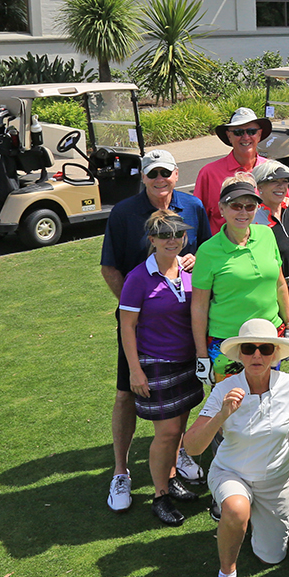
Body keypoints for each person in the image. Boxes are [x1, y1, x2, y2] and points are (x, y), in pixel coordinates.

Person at [184, 318, 289, 577]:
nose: (257, 355)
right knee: (236, 509)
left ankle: (246, 522)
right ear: (241, 355)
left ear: (275, 353)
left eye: (265, 348)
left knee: (271, 557)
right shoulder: (225, 389)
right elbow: (192, 446)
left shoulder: (288, 385)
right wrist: (222, 415)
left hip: (276, 480)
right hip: (232, 472)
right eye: (249, 349)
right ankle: (227, 576)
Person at [99, 148, 210, 512]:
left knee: (176, 419)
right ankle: (122, 471)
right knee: (125, 396)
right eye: (153, 174)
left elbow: (205, 255)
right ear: (143, 177)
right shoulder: (124, 213)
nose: (160, 180)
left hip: (181, 335)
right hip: (144, 333)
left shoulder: (191, 206)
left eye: (166, 173)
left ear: (177, 174)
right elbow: (110, 268)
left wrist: (191, 261)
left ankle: (172, 471)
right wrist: (142, 305)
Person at [118, 209, 208, 525]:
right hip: (156, 362)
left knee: (179, 429)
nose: (173, 240)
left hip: (186, 360)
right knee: (167, 432)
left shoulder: (189, 271)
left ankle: (171, 478)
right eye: (165, 235)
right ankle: (160, 496)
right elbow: (126, 326)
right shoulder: (137, 278)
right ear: (152, 239)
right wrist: (135, 370)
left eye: (178, 234)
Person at [192, 176, 289, 386]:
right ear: (221, 208)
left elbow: (279, 283)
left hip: (268, 338)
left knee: (266, 403)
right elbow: (199, 306)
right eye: (236, 206)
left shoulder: (266, 234)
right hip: (228, 344)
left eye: (250, 206)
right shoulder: (207, 251)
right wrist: (202, 356)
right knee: (232, 408)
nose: (243, 212)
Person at [253, 158, 289, 379]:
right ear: (259, 187)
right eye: (274, 182)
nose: (281, 187)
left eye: (284, 182)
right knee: (275, 356)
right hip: (273, 296)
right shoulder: (254, 220)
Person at [195, 108, 272, 234]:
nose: (246, 137)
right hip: (221, 250)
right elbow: (197, 219)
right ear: (229, 136)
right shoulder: (209, 173)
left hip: (262, 248)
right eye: (238, 132)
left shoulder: (272, 169)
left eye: (251, 131)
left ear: (259, 135)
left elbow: (283, 208)